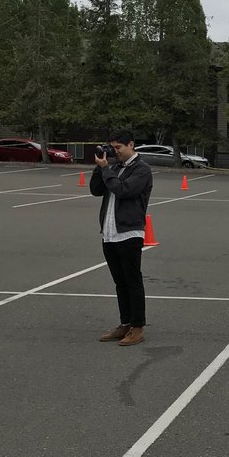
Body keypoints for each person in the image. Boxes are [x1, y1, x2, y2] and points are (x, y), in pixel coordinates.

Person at [89, 130, 153, 346]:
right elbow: (96, 190)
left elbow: (123, 190)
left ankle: (137, 328)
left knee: (132, 281)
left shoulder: (141, 170)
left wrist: (107, 170)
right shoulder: (114, 167)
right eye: (112, 148)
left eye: (119, 148)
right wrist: (100, 168)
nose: (115, 152)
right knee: (120, 282)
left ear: (131, 145)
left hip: (129, 233)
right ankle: (125, 323)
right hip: (109, 233)